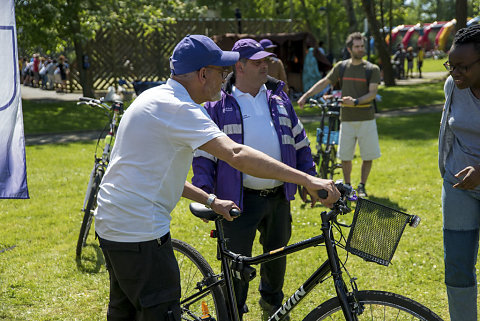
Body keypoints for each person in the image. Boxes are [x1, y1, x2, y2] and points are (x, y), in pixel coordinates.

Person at [94, 34, 340, 321]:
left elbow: (154, 174)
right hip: (140, 233)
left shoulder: (153, 97)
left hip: (113, 226)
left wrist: (210, 199)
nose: (225, 78)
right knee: (160, 313)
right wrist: (307, 180)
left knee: (124, 312)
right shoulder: (180, 108)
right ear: (202, 74)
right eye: (222, 72)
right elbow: (235, 153)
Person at [192, 38, 316, 321]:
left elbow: (300, 143)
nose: (266, 66)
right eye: (258, 62)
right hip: (237, 200)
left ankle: (273, 307)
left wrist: (309, 179)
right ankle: (234, 312)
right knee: (237, 266)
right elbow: (203, 154)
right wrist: (205, 193)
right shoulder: (217, 105)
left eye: (266, 61)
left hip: (277, 198)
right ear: (240, 66)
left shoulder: (279, 98)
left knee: (277, 258)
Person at [298, 32, 381, 197]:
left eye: (362, 46)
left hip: (366, 119)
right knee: (345, 156)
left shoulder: (372, 69)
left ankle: (362, 185)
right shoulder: (342, 67)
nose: (360, 49)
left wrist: (356, 101)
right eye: (357, 46)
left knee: (368, 155)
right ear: (350, 49)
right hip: (347, 119)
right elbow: (324, 82)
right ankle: (348, 186)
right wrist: (306, 95)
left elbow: (372, 93)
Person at [438, 24, 480, 321]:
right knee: (457, 265)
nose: (455, 73)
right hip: (459, 188)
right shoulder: (453, 86)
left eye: (462, 67)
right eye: (451, 66)